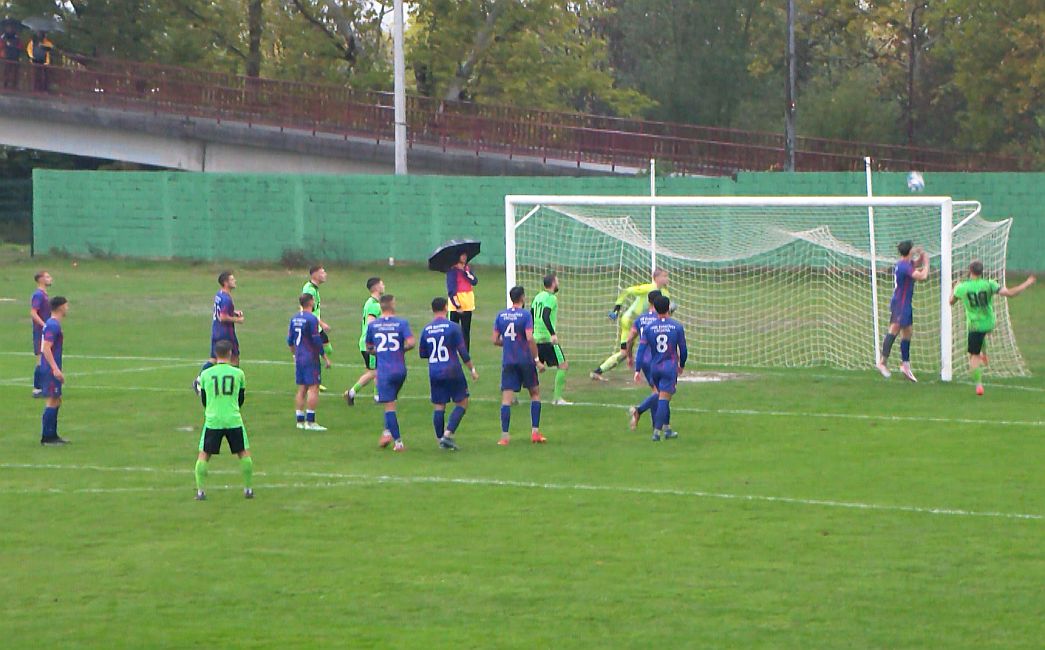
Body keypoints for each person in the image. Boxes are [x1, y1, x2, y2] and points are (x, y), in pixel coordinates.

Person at [950, 262, 1035, 395]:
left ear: (970, 271)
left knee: (973, 356)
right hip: (989, 323)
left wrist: (953, 288)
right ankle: (984, 353)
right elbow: (1010, 293)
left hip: (975, 325)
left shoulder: (962, 287)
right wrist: (1027, 283)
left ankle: (978, 385)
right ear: (982, 271)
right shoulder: (990, 284)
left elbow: (951, 302)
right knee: (981, 336)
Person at [194, 340, 253, 501]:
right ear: (230, 353)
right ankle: (248, 489)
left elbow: (204, 399)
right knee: (243, 452)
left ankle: (200, 492)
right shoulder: (239, 374)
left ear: (215, 354)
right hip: (233, 418)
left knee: (204, 454)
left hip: (213, 419)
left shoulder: (205, 375)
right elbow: (241, 398)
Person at [419, 297, 479, 451]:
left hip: (434, 371)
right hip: (452, 370)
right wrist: (472, 369)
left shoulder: (426, 330)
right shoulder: (453, 327)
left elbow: (423, 353)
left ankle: (440, 441)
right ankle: (447, 434)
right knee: (462, 402)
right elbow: (463, 352)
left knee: (439, 406)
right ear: (446, 307)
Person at [591, 268, 671, 381]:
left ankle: (598, 371)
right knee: (631, 349)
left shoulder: (665, 293)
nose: (667, 279)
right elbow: (626, 291)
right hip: (630, 320)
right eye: (664, 276)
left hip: (645, 322)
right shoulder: (647, 288)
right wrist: (616, 309)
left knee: (629, 351)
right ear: (656, 278)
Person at [494, 286, 546, 446]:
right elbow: (530, 338)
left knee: (506, 399)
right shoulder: (525, 315)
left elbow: (495, 340)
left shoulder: (501, 315)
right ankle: (535, 433)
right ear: (522, 297)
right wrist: (537, 359)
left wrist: (509, 342)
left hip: (508, 361)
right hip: (525, 360)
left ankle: (504, 437)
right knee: (535, 393)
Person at [365, 295, 415, 451]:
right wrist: (400, 350)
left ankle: (398, 443)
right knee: (392, 400)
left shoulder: (373, 326)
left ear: (381, 307)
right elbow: (411, 343)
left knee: (389, 406)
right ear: (393, 305)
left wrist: (379, 352)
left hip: (385, 371)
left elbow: (369, 347)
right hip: (400, 369)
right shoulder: (402, 323)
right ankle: (387, 432)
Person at [876, 241, 929, 381]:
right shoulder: (905, 266)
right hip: (900, 303)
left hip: (905, 303)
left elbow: (915, 263)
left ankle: (905, 366)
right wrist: (927, 264)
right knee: (894, 329)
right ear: (909, 251)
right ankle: (882, 362)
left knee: (908, 332)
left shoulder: (905, 263)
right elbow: (923, 276)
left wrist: (921, 255)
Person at [642, 295, 687, 442]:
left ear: (655, 308)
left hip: (654, 367)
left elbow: (642, 349)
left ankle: (667, 429)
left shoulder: (649, 327)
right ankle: (657, 432)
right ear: (668, 308)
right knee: (664, 399)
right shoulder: (676, 326)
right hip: (669, 366)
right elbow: (683, 350)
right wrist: (682, 365)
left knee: (660, 396)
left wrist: (637, 369)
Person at [195, 270, 243, 394]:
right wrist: (237, 319)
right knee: (234, 357)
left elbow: (220, 311)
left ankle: (199, 380)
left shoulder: (219, 294)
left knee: (214, 358)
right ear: (226, 283)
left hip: (216, 331)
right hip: (226, 333)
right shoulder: (227, 298)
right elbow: (223, 317)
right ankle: (234, 386)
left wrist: (233, 312)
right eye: (232, 279)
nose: (235, 281)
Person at [289, 293, 331, 430]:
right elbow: (316, 340)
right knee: (313, 387)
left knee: (301, 388)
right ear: (311, 302)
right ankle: (311, 422)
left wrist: (294, 354)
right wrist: (325, 358)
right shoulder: (312, 319)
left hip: (299, 357)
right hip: (310, 357)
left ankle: (300, 420)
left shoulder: (294, 318)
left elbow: (290, 340)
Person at [531, 273, 571, 405]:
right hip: (547, 340)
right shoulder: (552, 298)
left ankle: (513, 393)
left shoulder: (537, 297)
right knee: (563, 365)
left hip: (536, 338)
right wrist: (552, 334)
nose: (558, 284)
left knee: (534, 367)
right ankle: (557, 398)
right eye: (557, 281)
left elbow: (531, 314)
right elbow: (545, 315)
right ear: (553, 284)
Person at [625, 290, 663, 430]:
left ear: (649, 302)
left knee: (656, 392)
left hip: (645, 361)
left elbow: (629, 340)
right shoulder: (661, 318)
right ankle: (638, 410)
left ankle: (655, 426)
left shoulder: (640, 319)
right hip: (658, 360)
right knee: (661, 393)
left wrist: (629, 357)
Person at [345, 276, 384, 405]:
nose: (384, 286)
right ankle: (351, 392)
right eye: (382, 284)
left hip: (366, 342)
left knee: (375, 370)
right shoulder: (374, 305)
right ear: (377, 287)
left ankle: (378, 396)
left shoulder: (371, 302)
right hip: (370, 344)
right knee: (374, 371)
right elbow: (371, 324)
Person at [38, 296, 69, 445]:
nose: (68, 308)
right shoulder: (52, 325)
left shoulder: (53, 324)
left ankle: (53, 434)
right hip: (50, 369)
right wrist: (55, 369)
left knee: (57, 399)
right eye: (66, 306)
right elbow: (46, 348)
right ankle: (47, 437)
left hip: (51, 367)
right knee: (52, 400)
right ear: (61, 307)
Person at [301, 265, 332, 391]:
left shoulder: (314, 288)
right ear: (314, 274)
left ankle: (312, 378)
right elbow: (308, 311)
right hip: (311, 326)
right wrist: (322, 323)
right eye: (322, 272)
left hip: (316, 326)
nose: (325, 275)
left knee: (327, 349)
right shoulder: (310, 290)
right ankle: (312, 381)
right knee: (316, 353)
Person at [447, 253, 479, 351]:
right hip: (455, 306)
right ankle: (452, 350)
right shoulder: (452, 271)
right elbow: (451, 290)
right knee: (453, 330)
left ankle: (465, 352)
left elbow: (475, 281)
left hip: (468, 305)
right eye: (462, 255)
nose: (464, 257)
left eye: (465, 255)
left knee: (466, 331)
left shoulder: (467, 269)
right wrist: (457, 305)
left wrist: (466, 273)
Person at [29, 270, 53, 398]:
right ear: (41, 279)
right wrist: (44, 325)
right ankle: (37, 388)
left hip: (46, 331)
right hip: (40, 331)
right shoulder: (38, 295)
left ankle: (45, 387)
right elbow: (33, 313)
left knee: (46, 358)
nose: (50, 279)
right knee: (40, 359)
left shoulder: (45, 294)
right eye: (47, 276)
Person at [1, 20, 22, 90]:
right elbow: (1, 46)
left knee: (15, 73)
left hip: (15, 57)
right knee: (6, 72)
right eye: (8, 27)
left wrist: (14, 46)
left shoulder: (17, 37)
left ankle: (14, 86)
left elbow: (20, 47)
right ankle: (5, 85)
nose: (9, 29)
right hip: (6, 57)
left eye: (10, 27)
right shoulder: (3, 37)